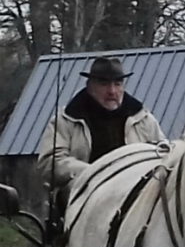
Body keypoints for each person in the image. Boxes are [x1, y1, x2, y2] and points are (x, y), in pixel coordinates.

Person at [37, 56, 166, 196]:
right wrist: (94, 172)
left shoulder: (143, 119)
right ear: (90, 86)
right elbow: (50, 162)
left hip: (136, 195)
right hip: (83, 195)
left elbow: (164, 154)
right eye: (104, 84)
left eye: (117, 83)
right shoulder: (67, 120)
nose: (112, 91)